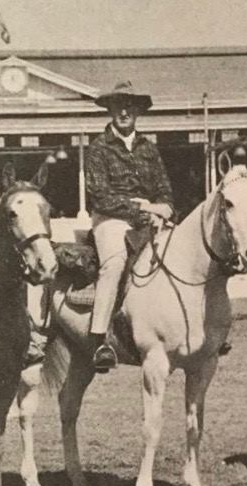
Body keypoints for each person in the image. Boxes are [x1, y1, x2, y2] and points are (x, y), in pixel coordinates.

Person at [85, 80, 175, 373]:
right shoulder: (98, 148)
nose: (124, 111)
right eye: (118, 106)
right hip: (111, 219)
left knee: (181, 255)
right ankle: (99, 339)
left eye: (129, 106)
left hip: (150, 218)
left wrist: (163, 209)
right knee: (114, 264)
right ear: (110, 110)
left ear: (137, 111)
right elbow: (101, 196)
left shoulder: (149, 148)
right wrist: (144, 208)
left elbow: (165, 190)